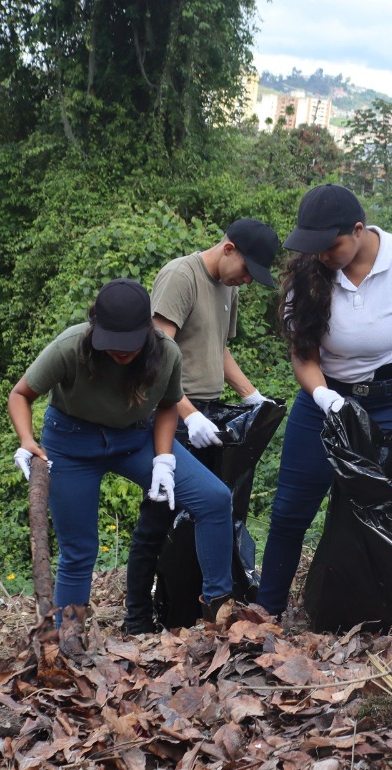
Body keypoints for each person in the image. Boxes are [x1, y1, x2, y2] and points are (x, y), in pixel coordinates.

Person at [257, 184, 392, 616]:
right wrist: (323, 397)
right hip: (327, 400)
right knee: (291, 510)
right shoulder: (308, 275)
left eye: (329, 245)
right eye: (312, 246)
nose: (320, 255)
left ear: (358, 230)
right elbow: (304, 355)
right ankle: (268, 611)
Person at [9, 279, 236, 634]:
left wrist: (164, 459)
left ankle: (220, 620)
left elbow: (166, 405)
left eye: (129, 346)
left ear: (146, 332)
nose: (121, 353)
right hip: (72, 445)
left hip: (134, 439)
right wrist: (26, 440)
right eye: (112, 345)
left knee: (215, 499)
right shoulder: (70, 347)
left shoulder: (166, 353)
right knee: (79, 549)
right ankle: (69, 640)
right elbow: (21, 394)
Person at [120, 219, 280, 634]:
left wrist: (251, 395)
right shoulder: (181, 276)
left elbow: (218, 349)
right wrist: (188, 413)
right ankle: (137, 617)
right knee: (159, 514)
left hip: (206, 415)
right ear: (228, 248)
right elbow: (155, 360)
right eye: (246, 270)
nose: (246, 280)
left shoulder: (228, 287)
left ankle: (193, 610)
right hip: (171, 414)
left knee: (209, 511)